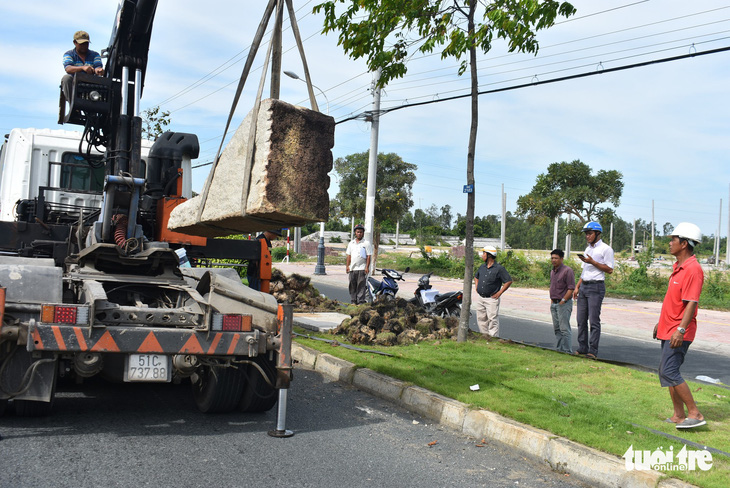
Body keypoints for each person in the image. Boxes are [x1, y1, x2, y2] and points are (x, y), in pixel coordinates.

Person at [653, 222, 706, 430]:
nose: (670, 243)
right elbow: (674, 301)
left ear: (684, 244)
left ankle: (695, 413)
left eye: (673, 239)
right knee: (666, 371)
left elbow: (691, 303)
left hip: (679, 331)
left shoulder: (693, 269)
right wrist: (661, 322)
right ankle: (678, 414)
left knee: (669, 370)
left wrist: (680, 330)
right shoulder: (678, 267)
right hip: (669, 327)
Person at [573, 221, 614, 359]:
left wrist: (593, 262)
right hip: (584, 285)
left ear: (597, 233)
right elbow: (585, 269)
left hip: (596, 287)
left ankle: (593, 350)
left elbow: (609, 269)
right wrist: (577, 286)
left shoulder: (606, 249)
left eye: (590, 233)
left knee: (594, 320)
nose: (587, 236)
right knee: (580, 319)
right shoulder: (588, 249)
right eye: (586, 234)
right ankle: (582, 347)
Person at [474, 246, 512, 338]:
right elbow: (476, 277)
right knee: (481, 319)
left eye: (484, 253)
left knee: (492, 320)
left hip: (491, 299)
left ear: (489, 255)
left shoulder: (499, 269)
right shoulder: (482, 267)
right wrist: (477, 286)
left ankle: (493, 339)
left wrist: (499, 293)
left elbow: (508, 281)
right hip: (481, 298)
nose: (482, 255)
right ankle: (485, 337)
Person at [61, 31, 105, 108]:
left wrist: (99, 71)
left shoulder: (95, 55)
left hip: (91, 83)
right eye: (81, 44)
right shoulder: (69, 54)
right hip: (75, 82)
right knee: (66, 78)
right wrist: (83, 68)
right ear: (75, 42)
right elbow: (68, 69)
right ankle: (73, 107)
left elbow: (98, 67)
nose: (84, 46)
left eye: (86, 44)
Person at [549, 249, 575, 354]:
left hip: (563, 303)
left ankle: (567, 351)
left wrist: (563, 301)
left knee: (564, 329)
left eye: (556, 258)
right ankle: (559, 350)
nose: (553, 260)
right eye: (552, 258)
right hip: (554, 303)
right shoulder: (552, 271)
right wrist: (552, 301)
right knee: (557, 329)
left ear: (561, 259)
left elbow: (571, 288)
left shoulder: (567, 271)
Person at [345, 224, 372, 304]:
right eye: (358, 232)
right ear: (355, 233)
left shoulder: (366, 243)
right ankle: (353, 301)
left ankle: (360, 302)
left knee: (361, 286)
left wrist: (367, 267)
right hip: (352, 269)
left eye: (361, 232)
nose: (359, 233)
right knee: (352, 286)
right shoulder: (351, 243)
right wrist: (347, 266)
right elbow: (349, 256)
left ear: (363, 233)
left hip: (361, 268)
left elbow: (368, 256)